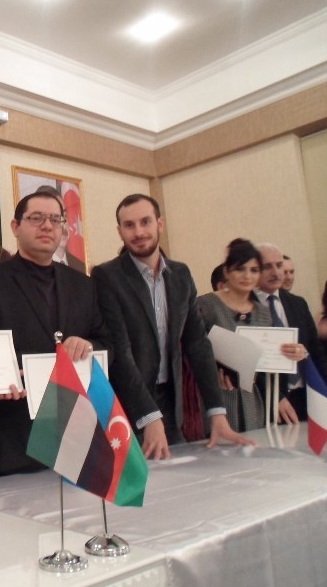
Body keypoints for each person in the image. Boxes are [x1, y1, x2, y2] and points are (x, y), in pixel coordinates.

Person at [91, 194, 252, 459]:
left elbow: (197, 344)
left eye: (145, 222)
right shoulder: (106, 276)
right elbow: (119, 351)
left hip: (172, 403)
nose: (138, 232)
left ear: (160, 224)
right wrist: (149, 416)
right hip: (129, 407)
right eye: (129, 225)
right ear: (120, 232)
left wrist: (217, 412)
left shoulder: (181, 274)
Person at [0, 191, 111, 475]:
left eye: (55, 219)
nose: (47, 226)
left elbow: (107, 343)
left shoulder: (83, 284)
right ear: (15, 226)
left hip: (76, 432)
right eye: (36, 218)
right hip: (15, 435)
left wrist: (87, 345)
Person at [254, 243, 327, 418]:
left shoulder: (297, 303)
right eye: (267, 267)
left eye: (279, 265)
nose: (276, 273)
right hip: (268, 401)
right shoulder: (245, 306)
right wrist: (276, 396)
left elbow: (316, 351)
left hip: (307, 394)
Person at [197, 239, 271, 431]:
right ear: (227, 271)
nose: (247, 276)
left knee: (253, 444)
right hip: (215, 396)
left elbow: (267, 358)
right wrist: (215, 371)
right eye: (240, 269)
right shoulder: (206, 304)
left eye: (254, 270)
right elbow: (192, 348)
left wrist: (290, 353)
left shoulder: (263, 313)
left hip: (250, 397)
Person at [35, 185, 86, 272]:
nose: (63, 225)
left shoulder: (80, 267)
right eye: (55, 218)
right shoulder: (31, 268)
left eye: (64, 215)